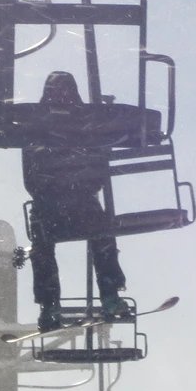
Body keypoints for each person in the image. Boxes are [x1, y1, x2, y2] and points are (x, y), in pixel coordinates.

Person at [23, 70, 129, 330]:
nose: (60, 96)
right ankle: (60, 305)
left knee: (54, 243)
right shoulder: (77, 123)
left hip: (66, 199)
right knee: (55, 244)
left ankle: (100, 297)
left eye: (63, 90)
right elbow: (99, 159)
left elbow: (98, 160)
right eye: (56, 90)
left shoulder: (43, 124)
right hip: (65, 199)